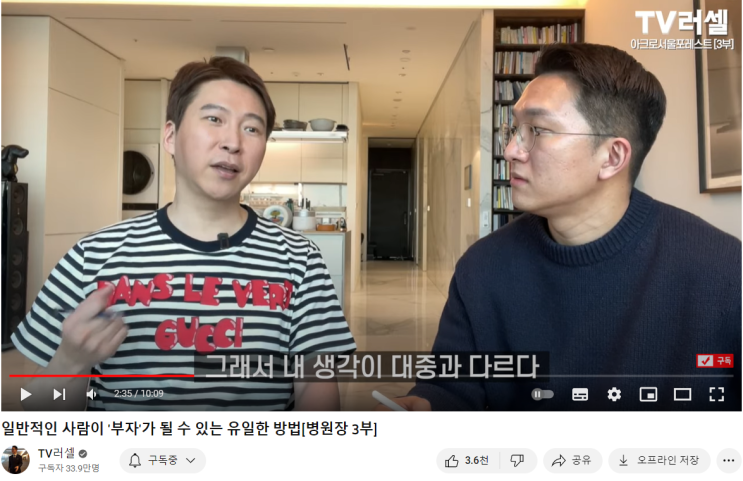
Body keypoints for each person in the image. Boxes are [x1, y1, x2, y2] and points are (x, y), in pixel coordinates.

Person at [381, 43, 741, 411]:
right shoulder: (484, 267)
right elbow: (449, 389)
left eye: (537, 130)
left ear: (612, 156)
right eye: (515, 129)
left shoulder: (725, 272)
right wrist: (424, 407)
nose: (510, 150)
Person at [12, 56, 356, 411]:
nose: (233, 142)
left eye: (252, 129)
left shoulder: (300, 260)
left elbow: (317, 394)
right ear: (171, 136)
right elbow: (36, 410)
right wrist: (70, 361)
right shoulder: (93, 255)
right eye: (214, 119)